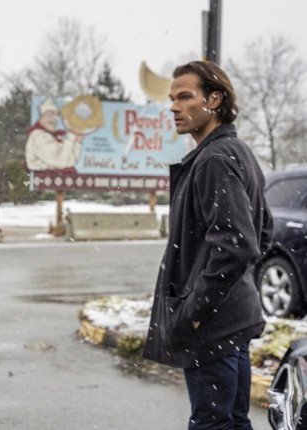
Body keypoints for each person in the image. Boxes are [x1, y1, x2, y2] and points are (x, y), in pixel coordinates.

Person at [142, 61, 273, 429]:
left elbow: (237, 244)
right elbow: (263, 232)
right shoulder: (237, 151)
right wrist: (235, 290)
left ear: (214, 100)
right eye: (172, 98)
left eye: (185, 97)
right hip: (232, 320)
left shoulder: (214, 159)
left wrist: (196, 310)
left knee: (213, 424)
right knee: (232, 421)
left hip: (213, 327)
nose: (174, 107)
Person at [25, 97, 83, 171]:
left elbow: (70, 161)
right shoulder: (39, 136)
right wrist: (71, 135)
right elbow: (61, 162)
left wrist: (77, 143)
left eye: (55, 116)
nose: (53, 119)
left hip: (56, 176)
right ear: (42, 117)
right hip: (45, 176)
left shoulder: (52, 137)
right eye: (49, 115)